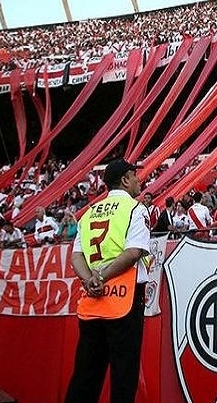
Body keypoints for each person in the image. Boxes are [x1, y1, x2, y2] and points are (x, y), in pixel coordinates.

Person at [65, 158, 151, 403]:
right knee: (124, 375)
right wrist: (101, 276)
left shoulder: (89, 212)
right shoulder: (136, 208)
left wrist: (90, 279)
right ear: (125, 180)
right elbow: (133, 252)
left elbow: (76, 255)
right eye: (135, 175)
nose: (138, 180)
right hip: (124, 300)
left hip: (92, 301)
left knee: (85, 375)